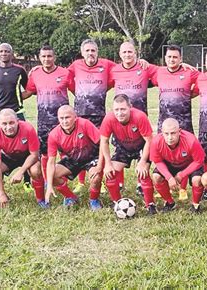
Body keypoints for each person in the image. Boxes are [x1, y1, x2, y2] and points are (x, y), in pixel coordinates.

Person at [68, 39, 148, 193]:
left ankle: (113, 182)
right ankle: (81, 182)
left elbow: (122, 70)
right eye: (87, 50)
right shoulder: (75, 65)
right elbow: (62, 75)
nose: (90, 53)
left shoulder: (107, 65)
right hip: (80, 114)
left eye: (93, 50)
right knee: (81, 147)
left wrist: (141, 61)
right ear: (82, 52)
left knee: (102, 147)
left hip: (99, 115)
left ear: (97, 51)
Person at [22, 45, 72, 180]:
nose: (46, 59)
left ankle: (63, 179)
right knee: (45, 152)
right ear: (39, 58)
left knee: (64, 151)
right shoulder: (35, 74)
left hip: (62, 121)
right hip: (43, 122)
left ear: (54, 57)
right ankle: (46, 179)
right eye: (43, 56)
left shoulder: (65, 73)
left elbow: (77, 91)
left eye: (49, 56)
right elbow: (28, 92)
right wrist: (9, 95)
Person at [100, 94, 156, 214]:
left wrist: (142, 162)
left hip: (142, 147)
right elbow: (104, 141)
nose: (119, 113)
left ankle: (150, 204)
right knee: (110, 173)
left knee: (143, 172)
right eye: (116, 110)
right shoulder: (109, 119)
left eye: (123, 109)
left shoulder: (140, 117)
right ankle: (117, 202)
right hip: (123, 148)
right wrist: (108, 164)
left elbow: (149, 140)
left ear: (130, 107)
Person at [45, 105, 103, 209]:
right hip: (73, 160)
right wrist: (49, 185)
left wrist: (99, 166)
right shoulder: (54, 135)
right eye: (61, 118)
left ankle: (94, 200)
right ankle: (70, 197)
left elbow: (103, 143)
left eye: (67, 117)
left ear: (75, 117)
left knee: (96, 177)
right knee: (52, 175)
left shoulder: (85, 124)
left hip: (91, 158)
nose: (64, 121)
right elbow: (50, 162)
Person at [0, 109, 45, 208]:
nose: (8, 127)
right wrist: (1, 193)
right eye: (4, 124)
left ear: (18, 121)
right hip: (9, 157)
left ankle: (41, 200)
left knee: (35, 170)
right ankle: (0, 197)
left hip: (27, 156)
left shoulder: (28, 129)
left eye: (11, 123)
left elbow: (34, 155)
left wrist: (21, 172)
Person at [150, 118, 205, 213]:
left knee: (197, 180)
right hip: (170, 163)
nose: (170, 137)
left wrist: (181, 175)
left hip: (189, 164)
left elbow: (199, 161)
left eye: (173, 133)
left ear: (179, 131)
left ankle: (195, 205)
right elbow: (158, 161)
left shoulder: (191, 140)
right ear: (162, 132)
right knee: (156, 177)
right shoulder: (156, 141)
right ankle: (169, 203)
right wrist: (169, 178)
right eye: (166, 134)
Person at [152, 45, 200, 133]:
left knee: (187, 146)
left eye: (175, 57)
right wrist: (142, 60)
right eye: (169, 57)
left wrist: (190, 94)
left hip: (184, 124)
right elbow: (142, 67)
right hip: (164, 123)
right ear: (165, 58)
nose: (171, 59)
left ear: (180, 59)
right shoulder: (159, 72)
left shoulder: (189, 72)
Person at [109, 41, 158, 114]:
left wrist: (180, 67)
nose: (127, 55)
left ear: (135, 53)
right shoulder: (114, 70)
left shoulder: (144, 67)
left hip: (140, 116)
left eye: (130, 52)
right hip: (121, 116)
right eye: (124, 52)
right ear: (120, 54)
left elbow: (165, 71)